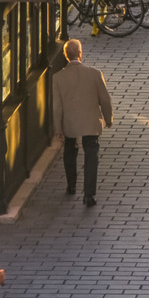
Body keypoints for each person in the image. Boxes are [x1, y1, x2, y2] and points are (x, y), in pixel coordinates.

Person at [48, 38, 112, 207]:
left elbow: (57, 107)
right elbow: (105, 100)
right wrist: (108, 118)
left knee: (70, 150)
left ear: (66, 56)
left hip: (70, 123)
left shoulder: (58, 78)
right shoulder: (95, 73)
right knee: (91, 155)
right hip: (90, 122)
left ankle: (71, 185)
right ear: (80, 54)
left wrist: (58, 129)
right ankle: (89, 195)